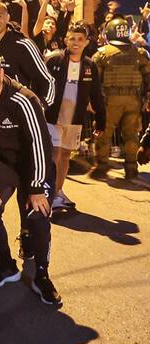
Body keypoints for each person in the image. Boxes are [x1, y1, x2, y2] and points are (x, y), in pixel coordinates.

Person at [0, 52, 61, 306]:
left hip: (33, 163)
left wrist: (37, 188)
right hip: (1, 163)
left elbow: (40, 145)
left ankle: (42, 275)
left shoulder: (24, 99)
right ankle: (6, 264)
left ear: (2, 75)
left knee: (37, 217)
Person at [44, 23, 105, 209]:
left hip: (74, 118)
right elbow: (40, 86)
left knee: (65, 155)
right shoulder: (53, 60)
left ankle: (58, 190)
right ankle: (49, 193)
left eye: (80, 39)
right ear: (65, 40)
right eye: (72, 38)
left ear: (87, 42)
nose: (76, 42)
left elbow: (96, 94)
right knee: (54, 154)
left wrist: (100, 121)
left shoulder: (90, 65)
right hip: (53, 116)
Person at [91, 16, 150, 179]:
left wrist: (92, 102)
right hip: (134, 101)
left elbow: (94, 82)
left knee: (103, 132)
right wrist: (147, 99)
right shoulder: (140, 53)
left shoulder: (102, 54)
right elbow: (148, 78)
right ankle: (131, 168)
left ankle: (101, 167)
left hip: (110, 101)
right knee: (132, 135)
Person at [0, 0, 55, 107]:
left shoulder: (23, 45)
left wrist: (40, 107)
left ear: (7, 18)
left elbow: (47, 81)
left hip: (16, 114)